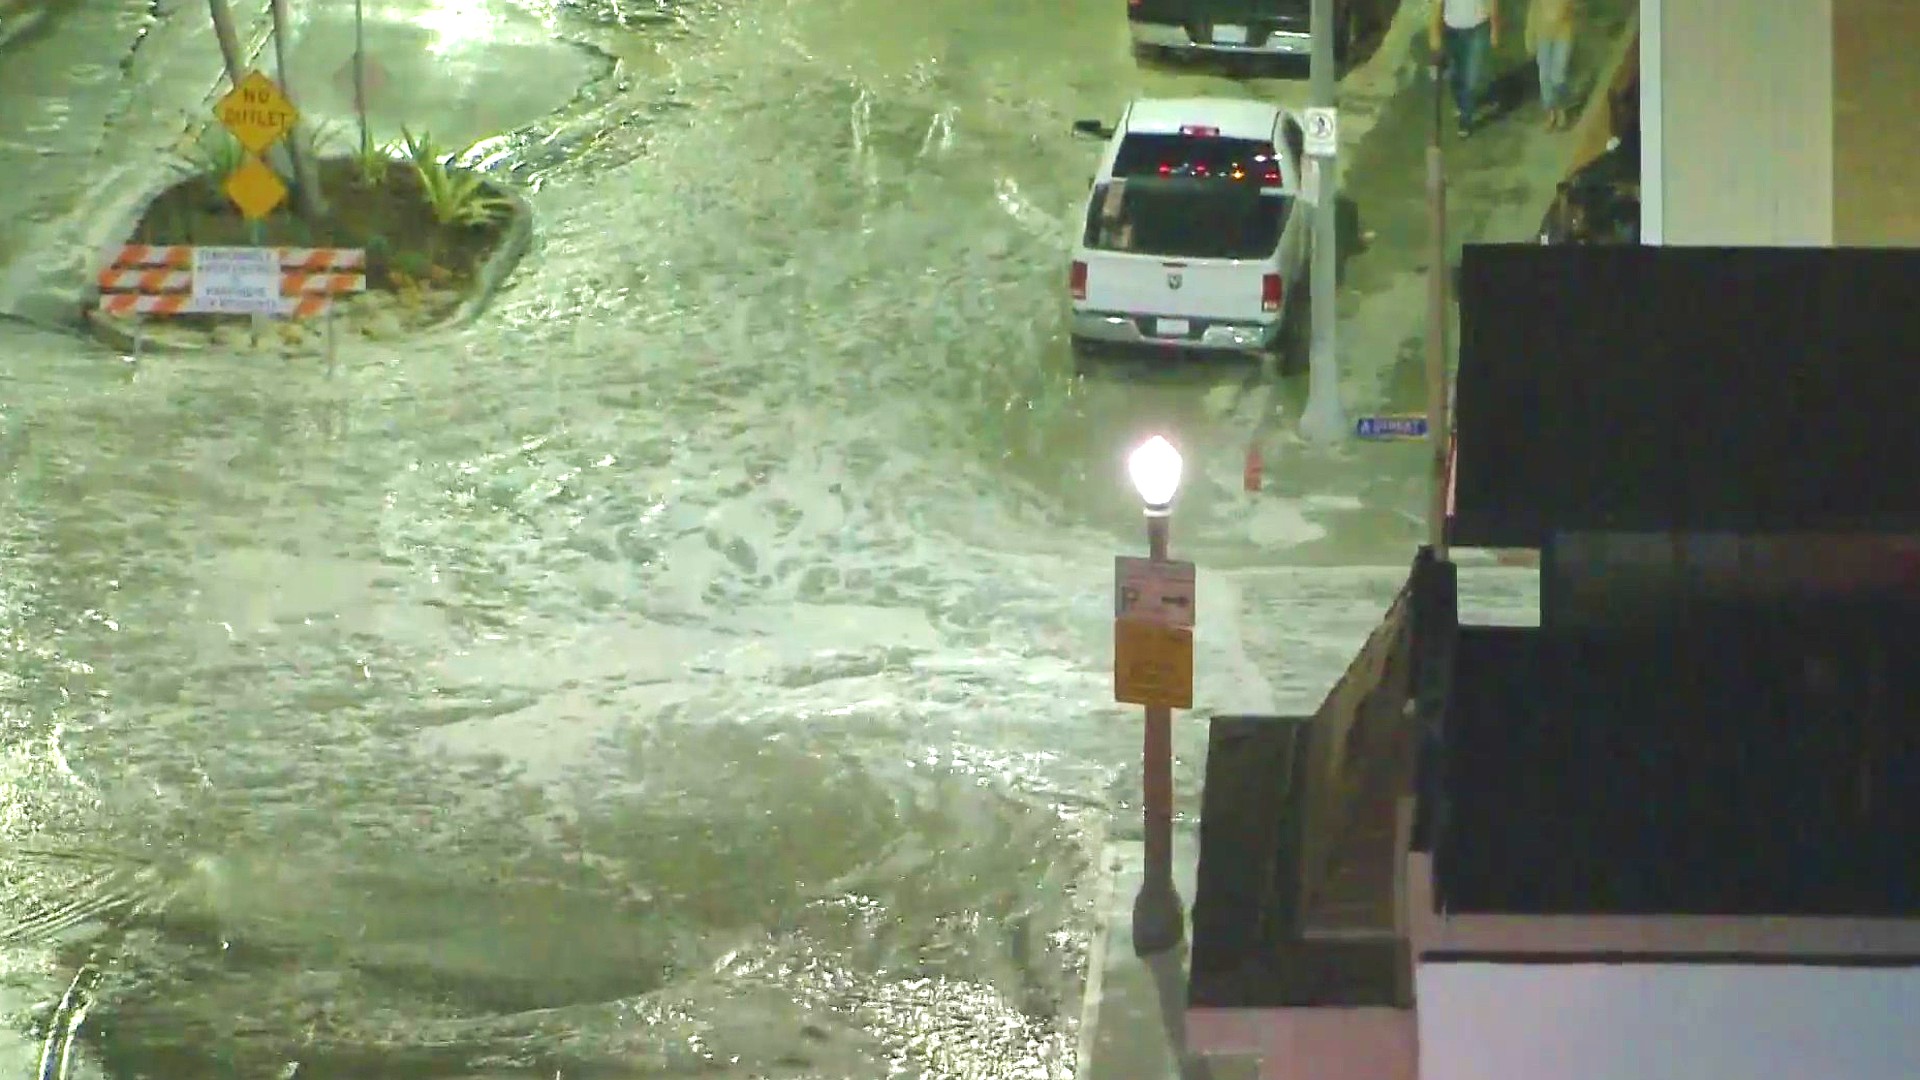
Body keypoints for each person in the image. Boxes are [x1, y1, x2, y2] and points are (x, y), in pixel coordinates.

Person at [1430, 0, 1501, 137]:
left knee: (1471, 78)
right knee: (1455, 74)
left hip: (1478, 28)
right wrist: (1434, 35)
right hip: (1452, 31)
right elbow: (1437, 4)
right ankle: (1462, 102)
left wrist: (1495, 27)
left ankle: (1465, 119)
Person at [1528, 0, 1577, 129]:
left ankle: (1562, 107)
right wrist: (1529, 36)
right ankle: (1551, 113)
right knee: (1544, 76)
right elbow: (1533, 10)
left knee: (1558, 76)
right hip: (1542, 36)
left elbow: (1570, 7)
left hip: (1563, 33)